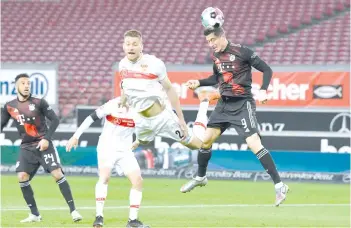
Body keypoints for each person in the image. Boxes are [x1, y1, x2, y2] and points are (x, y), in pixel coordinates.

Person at [180, 27, 289, 206]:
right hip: (223, 104)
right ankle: (201, 177)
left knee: (254, 144)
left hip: (242, 104)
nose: (211, 44)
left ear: (222, 36)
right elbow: (217, 78)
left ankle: (279, 185)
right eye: (208, 42)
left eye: (213, 40)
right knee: (205, 141)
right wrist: (198, 82)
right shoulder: (216, 57)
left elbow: (267, 70)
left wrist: (262, 91)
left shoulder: (242, 52)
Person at [0, 73, 82, 222]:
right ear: (16, 86)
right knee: (22, 177)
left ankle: (74, 211)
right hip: (26, 147)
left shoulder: (39, 102)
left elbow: (55, 120)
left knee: (57, 174)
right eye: (23, 83)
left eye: (28, 83)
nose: (26, 86)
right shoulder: (9, 106)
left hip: (44, 145)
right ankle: (35, 214)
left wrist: (46, 138)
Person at [118, 29, 208, 151]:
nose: (131, 47)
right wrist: (123, 98)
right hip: (141, 120)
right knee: (144, 141)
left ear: (141, 47)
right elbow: (124, 84)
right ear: (124, 46)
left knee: (196, 145)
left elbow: (170, 89)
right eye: (128, 44)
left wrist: (181, 119)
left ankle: (204, 104)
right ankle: (140, 140)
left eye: (135, 44)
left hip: (162, 119)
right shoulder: (122, 65)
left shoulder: (154, 64)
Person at [66, 97, 149, 228]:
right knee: (105, 177)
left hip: (125, 150)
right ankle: (99, 217)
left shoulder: (140, 107)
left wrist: (138, 140)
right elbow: (91, 118)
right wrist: (76, 136)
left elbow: (144, 127)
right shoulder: (112, 104)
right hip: (107, 146)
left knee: (138, 181)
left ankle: (132, 220)